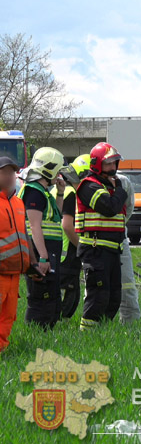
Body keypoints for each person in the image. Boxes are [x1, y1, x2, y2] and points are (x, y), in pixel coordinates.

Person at [76, 142, 128, 330]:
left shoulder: (111, 188)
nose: (113, 168)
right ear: (97, 164)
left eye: (115, 163)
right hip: (95, 250)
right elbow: (109, 208)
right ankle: (87, 335)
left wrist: (118, 191)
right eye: (108, 164)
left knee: (114, 297)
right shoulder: (88, 186)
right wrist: (121, 191)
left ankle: (102, 334)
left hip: (112, 250)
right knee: (98, 295)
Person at [19, 147, 66, 329]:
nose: (59, 175)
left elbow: (56, 216)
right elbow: (34, 225)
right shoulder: (34, 192)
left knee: (52, 293)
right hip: (41, 253)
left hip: (48, 252)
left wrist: (60, 193)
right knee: (41, 296)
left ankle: (47, 331)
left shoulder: (43, 191)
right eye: (58, 171)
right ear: (49, 169)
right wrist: (43, 257)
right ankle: (37, 332)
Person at [0, 156, 37, 351]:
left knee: (8, 316)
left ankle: (2, 351)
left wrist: (32, 263)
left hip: (15, 271)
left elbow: (24, 234)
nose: (9, 176)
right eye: (4, 172)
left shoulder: (18, 203)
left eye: (12, 172)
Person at [54, 154, 91, 320]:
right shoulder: (71, 194)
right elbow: (67, 225)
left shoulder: (63, 189)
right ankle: (59, 325)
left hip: (60, 252)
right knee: (68, 294)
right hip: (66, 254)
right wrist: (83, 248)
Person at [117, 172, 140, 323]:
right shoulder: (89, 185)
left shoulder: (123, 182)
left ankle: (130, 322)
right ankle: (97, 325)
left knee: (127, 285)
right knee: (98, 287)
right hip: (96, 242)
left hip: (119, 238)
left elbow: (129, 209)